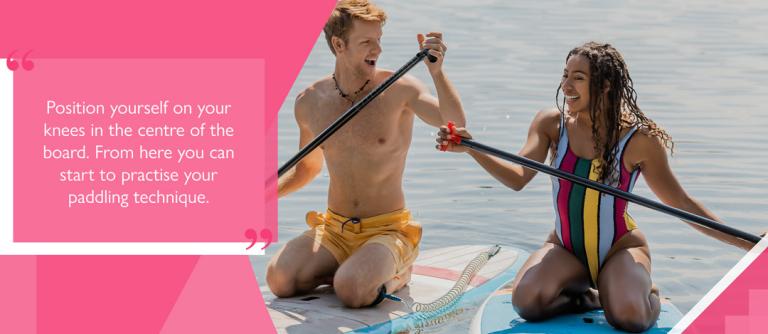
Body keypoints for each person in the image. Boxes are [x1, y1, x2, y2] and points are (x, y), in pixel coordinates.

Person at [436, 41, 756, 332]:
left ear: (604, 86)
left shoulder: (639, 140)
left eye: (578, 78)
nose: (566, 86)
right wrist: (472, 148)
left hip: (620, 249)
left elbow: (681, 204)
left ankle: (647, 294)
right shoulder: (552, 124)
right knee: (526, 303)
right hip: (565, 248)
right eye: (565, 75)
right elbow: (517, 177)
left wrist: (750, 245)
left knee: (630, 318)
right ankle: (589, 297)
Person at [267, 0, 466, 308]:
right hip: (334, 229)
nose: (378, 49)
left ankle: (395, 273)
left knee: (352, 291)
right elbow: (307, 168)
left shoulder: (401, 89)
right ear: (339, 45)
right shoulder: (310, 102)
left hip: (388, 230)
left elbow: (455, 123)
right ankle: (351, 272)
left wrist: (437, 73)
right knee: (279, 280)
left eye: (379, 40)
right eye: (367, 42)